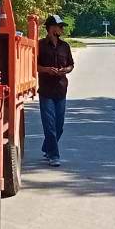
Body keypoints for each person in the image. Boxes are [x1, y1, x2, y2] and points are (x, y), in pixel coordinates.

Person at [37, 14, 74, 166]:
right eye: (60, 26)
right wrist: (47, 70)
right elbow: (34, 65)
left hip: (61, 90)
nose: (62, 29)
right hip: (46, 91)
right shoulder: (39, 45)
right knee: (49, 125)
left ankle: (47, 147)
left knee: (59, 126)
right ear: (52, 28)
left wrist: (65, 69)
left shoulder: (65, 46)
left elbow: (71, 64)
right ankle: (54, 155)